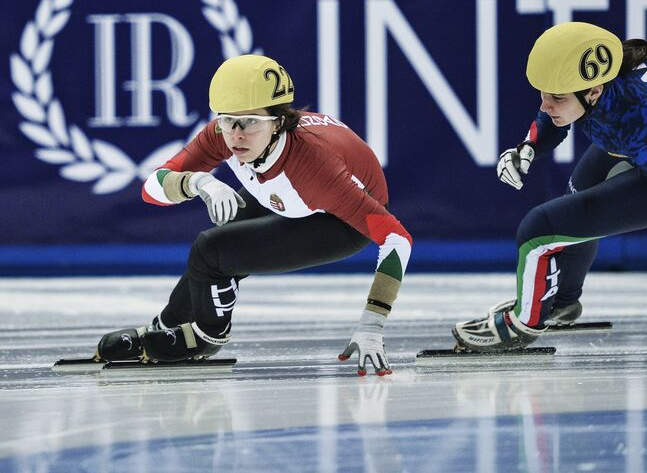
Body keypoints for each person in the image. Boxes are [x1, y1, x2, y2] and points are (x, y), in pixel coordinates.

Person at [96, 54, 412, 376]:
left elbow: (396, 237)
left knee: (212, 250)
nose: (236, 135)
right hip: (284, 191)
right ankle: (166, 325)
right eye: (228, 120)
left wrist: (373, 322)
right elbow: (151, 188)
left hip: (338, 219)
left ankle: (208, 336)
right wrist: (197, 181)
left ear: (278, 122)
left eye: (250, 122)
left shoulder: (317, 169)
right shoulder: (223, 134)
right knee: (227, 234)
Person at [452, 22, 647, 365]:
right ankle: (565, 301)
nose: (546, 105)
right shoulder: (599, 83)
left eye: (557, 97)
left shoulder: (641, 128)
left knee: (538, 228)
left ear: (594, 92)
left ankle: (522, 324)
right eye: (543, 93)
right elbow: (553, 119)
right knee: (579, 193)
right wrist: (528, 147)